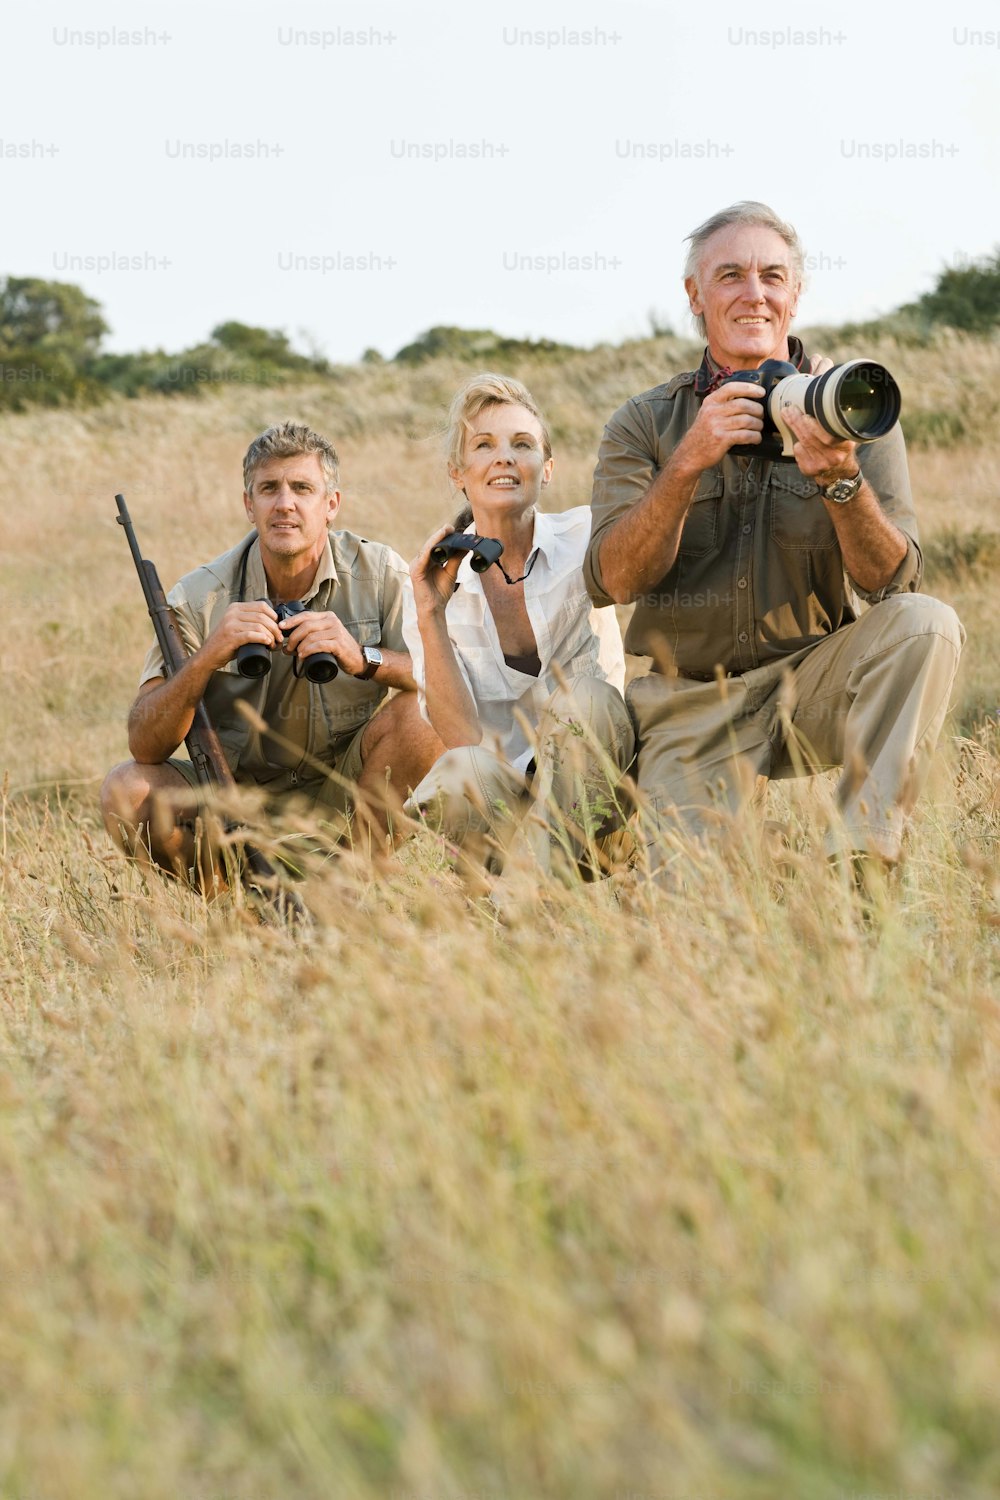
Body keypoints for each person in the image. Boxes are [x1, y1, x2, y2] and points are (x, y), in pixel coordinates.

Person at [585, 201, 965, 876]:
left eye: (772, 275)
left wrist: (841, 478)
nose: (753, 292)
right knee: (697, 922)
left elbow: (891, 582)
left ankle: (861, 860)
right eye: (729, 275)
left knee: (925, 624)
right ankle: (627, 844)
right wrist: (688, 460)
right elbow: (614, 580)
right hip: (690, 701)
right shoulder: (643, 423)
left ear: (795, 295)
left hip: (812, 681)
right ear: (694, 295)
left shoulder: (851, 408)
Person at [101, 420, 441, 881]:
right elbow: (144, 743)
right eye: (269, 489)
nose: (285, 504)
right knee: (126, 789)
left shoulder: (378, 572)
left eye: (303, 488)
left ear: (331, 505)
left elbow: (444, 682)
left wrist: (362, 657)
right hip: (231, 796)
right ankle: (232, 909)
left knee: (424, 718)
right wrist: (208, 657)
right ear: (249, 504)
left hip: (340, 788)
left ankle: (346, 888)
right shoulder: (201, 596)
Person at [404, 373, 634, 882]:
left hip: (592, 781)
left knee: (590, 699)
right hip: (502, 801)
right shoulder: (426, 582)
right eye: (483, 445)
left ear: (546, 469)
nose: (504, 457)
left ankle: (529, 884)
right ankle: (533, 875)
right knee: (457, 773)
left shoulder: (587, 538)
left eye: (522, 444)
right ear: (458, 473)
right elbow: (461, 738)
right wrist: (431, 614)